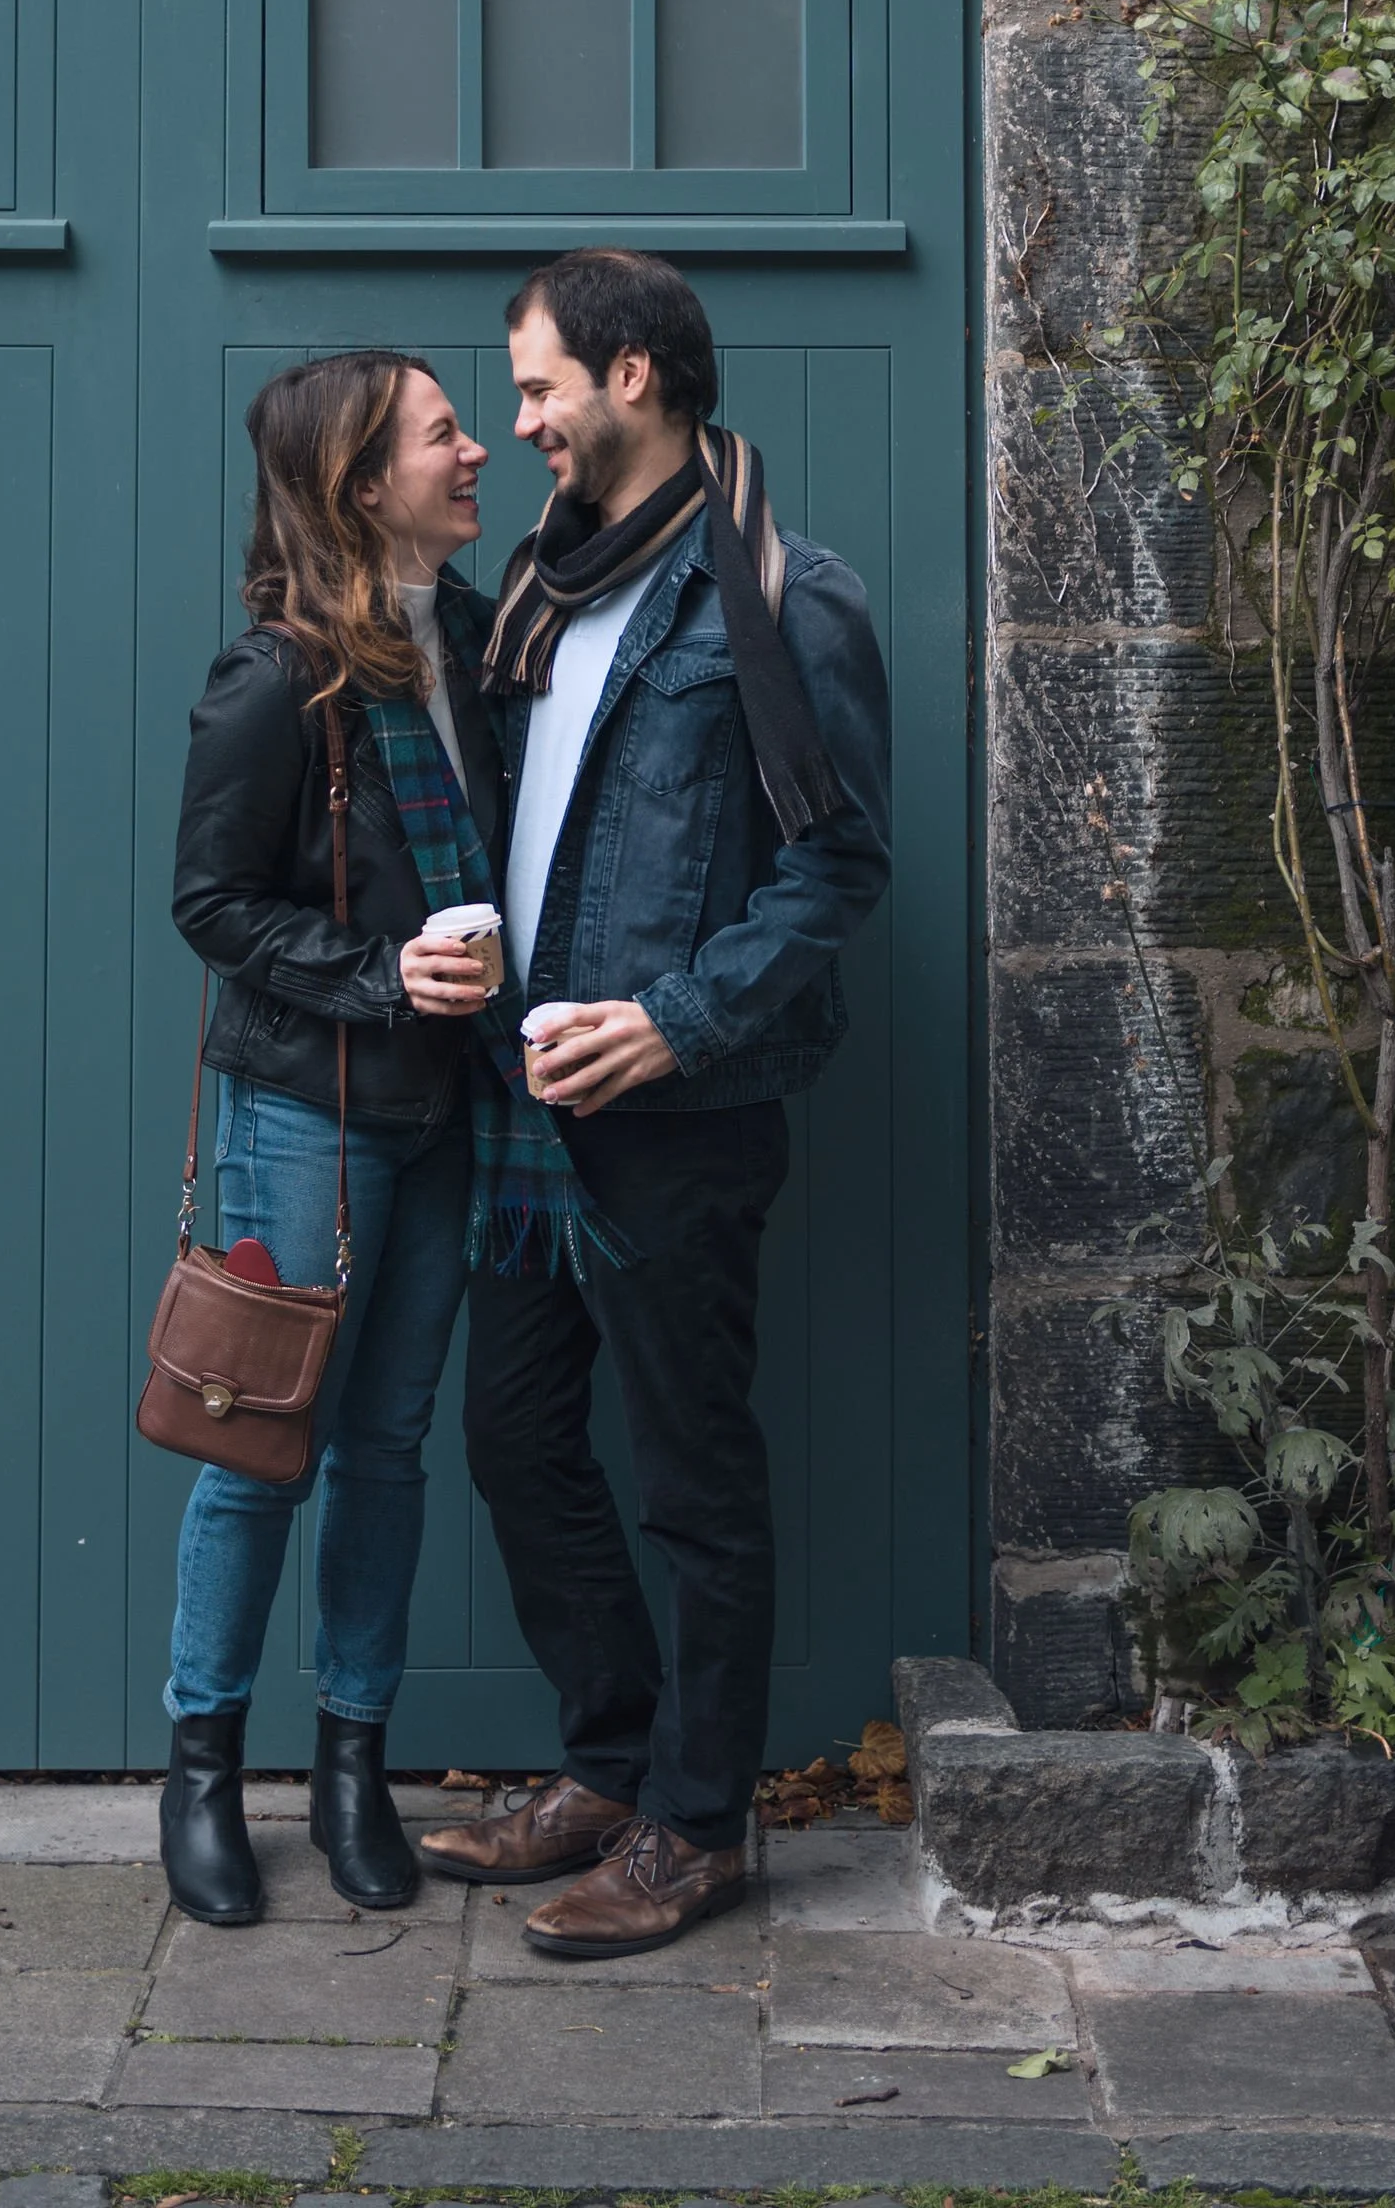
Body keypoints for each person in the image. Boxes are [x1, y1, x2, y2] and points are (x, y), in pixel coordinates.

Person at [418, 247, 892, 1955]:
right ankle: (610, 1765)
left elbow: (838, 866)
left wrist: (677, 1024)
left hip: (676, 1120)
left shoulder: (780, 594)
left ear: (633, 376)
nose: (520, 422)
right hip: (524, 1107)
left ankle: (701, 1826)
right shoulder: (541, 585)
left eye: (539, 386)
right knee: (516, 1438)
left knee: (695, 1476)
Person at [162, 350, 502, 1926]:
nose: (479, 449)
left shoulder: (482, 641)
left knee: (388, 1446)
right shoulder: (275, 679)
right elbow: (211, 904)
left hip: (452, 1109)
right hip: (314, 1109)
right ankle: (204, 1773)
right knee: (261, 1441)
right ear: (366, 484)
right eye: (447, 433)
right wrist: (384, 974)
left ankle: (353, 1768)